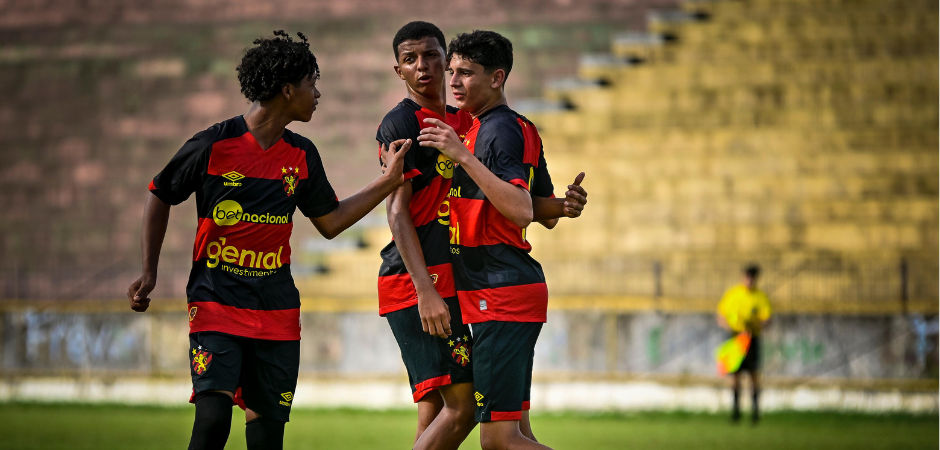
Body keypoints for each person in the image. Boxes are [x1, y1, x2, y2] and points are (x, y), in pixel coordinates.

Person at [126, 30, 411, 450]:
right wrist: (148, 270)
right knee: (213, 420)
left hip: (275, 309)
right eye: (313, 83)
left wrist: (388, 182)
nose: (318, 93)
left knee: (267, 438)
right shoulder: (213, 144)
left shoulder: (302, 155)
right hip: (215, 301)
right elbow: (160, 193)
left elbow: (330, 222)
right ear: (287, 88)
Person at [377, 22, 587, 450]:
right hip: (425, 280)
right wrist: (425, 290)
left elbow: (524, 206)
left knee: (471, 419)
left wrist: (559, 205)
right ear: (397, 70)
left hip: (486, 286)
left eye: (440, 60)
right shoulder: (403, 122)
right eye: (412, 60)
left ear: (496, 77)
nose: (436, 72)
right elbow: (396, 210)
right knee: (460, 412)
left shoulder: (476, 125)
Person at [717, 264, 772, 424]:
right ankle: (736, 412)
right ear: (743, 277)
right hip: (735, 339)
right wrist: (733, 326)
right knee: (734, 376)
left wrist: (754, 324)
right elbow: (721, 316)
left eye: (753, 277)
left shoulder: (760, 297)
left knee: (754, 375)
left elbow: (767, 319)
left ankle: (755, 412)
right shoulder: (733, 294)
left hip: (752, 338)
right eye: (748, 276)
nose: (750, 280)